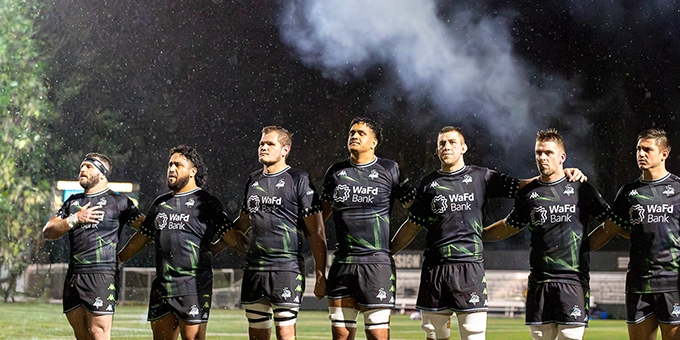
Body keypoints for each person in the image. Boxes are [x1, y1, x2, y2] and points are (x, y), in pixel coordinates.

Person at [391, 126, 585, 340]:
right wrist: (388, 251)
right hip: (434, 269)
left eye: (452, 142)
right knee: (434, 335)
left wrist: (562, 176)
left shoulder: (481, 177)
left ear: (463, 147)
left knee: (473, 335)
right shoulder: (428, 183)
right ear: (437, 151)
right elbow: (413, 223)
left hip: (469, 268)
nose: (446, 146)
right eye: (442, 143)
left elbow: (521, 186)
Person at [482, 129, 612, 340]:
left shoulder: (581, 188)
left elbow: (611, 222)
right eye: (538, 152)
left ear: (562, 157)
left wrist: (587, 245)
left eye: (548, 153)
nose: (542, 157)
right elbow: (510, 225)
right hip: (539, 282)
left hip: (573, 281)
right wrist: (477, 235)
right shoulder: (529, 192)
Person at [118, 145, 242, 340]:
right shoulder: (160, 204)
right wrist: (118, 259)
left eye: (178, 165)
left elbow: (232, 237)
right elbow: (142, 238)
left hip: (193, 286)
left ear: (193, 171)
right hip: (162, 286)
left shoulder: (206, 202)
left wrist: (248, 251)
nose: (172, 169)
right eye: (170, 165)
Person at [223, 126, 327, 340]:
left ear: (285, 150)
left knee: (285, 333)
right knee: (257, 334)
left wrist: (320, 275)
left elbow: (316, 231)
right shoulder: (253, 180)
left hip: (286, 268)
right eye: (261, 143)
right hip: (254, 269)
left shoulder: (299, 179)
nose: (263, 147)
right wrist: (214, 245)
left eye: (270, 144)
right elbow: (242, 224)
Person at [321, 117, 415, 340]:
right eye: (352, 132)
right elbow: (317, 221)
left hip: (377, 265)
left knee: (377, 336)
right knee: (341, 336)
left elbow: (418, 215)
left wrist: (390, 249)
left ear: (374, 142)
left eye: (361, 133)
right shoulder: (335, 172)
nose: (354, 136)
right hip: (342, 264)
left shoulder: (390, 170)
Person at [589, 128, 680, 340]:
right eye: (638, 149)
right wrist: (577, 249)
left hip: (673, 282)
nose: (641, 153)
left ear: (664, 153)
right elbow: (608, 230)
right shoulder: (629, 193)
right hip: (639, 283)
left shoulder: (678, 188)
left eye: (647, 149)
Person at [43, 153, 145, 340]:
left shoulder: (119, 202)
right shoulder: (72, 202)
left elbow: (147, 230)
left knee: (98, 334)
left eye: (89, 167)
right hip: (74, 276)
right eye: (82, 166)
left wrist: (121, 257)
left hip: (102, 275)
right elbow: (48, 231)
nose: (82, 170)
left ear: (103, 173)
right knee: (82, 336)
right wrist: (75, 219)